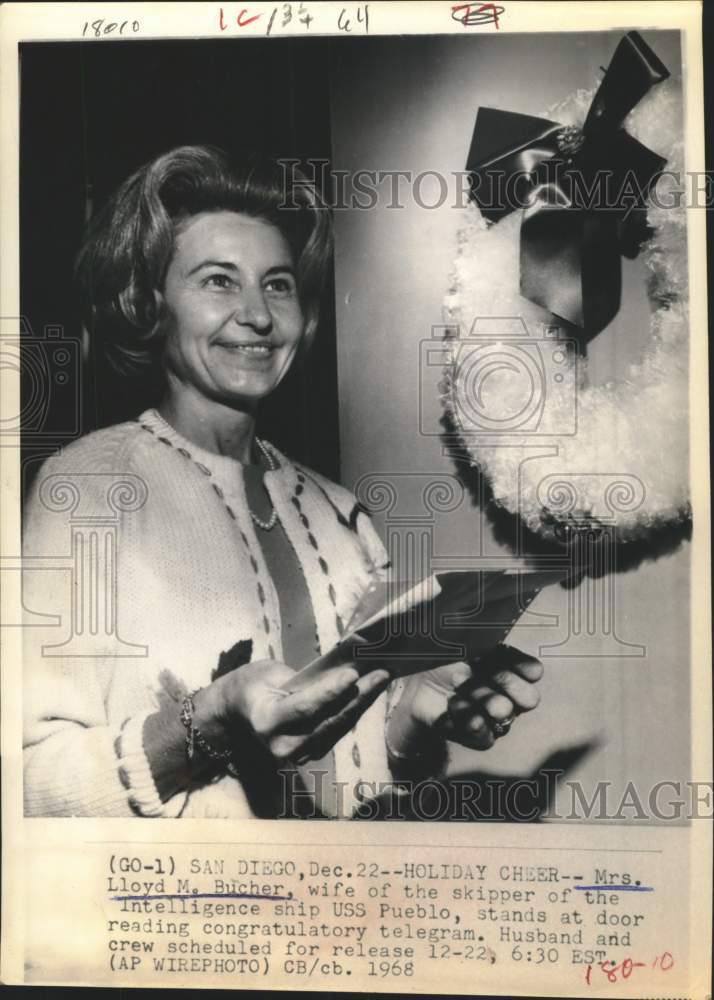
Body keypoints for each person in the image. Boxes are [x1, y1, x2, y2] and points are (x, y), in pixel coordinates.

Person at [22, 146, 543, 819]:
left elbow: (353, 772)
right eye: (217, 281)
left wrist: (418, 717)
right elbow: (29, 786)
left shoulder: (342, 515)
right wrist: (207, 724)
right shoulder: (86, 490)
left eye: (277, 284)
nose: (258, 316)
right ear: (151, 303)